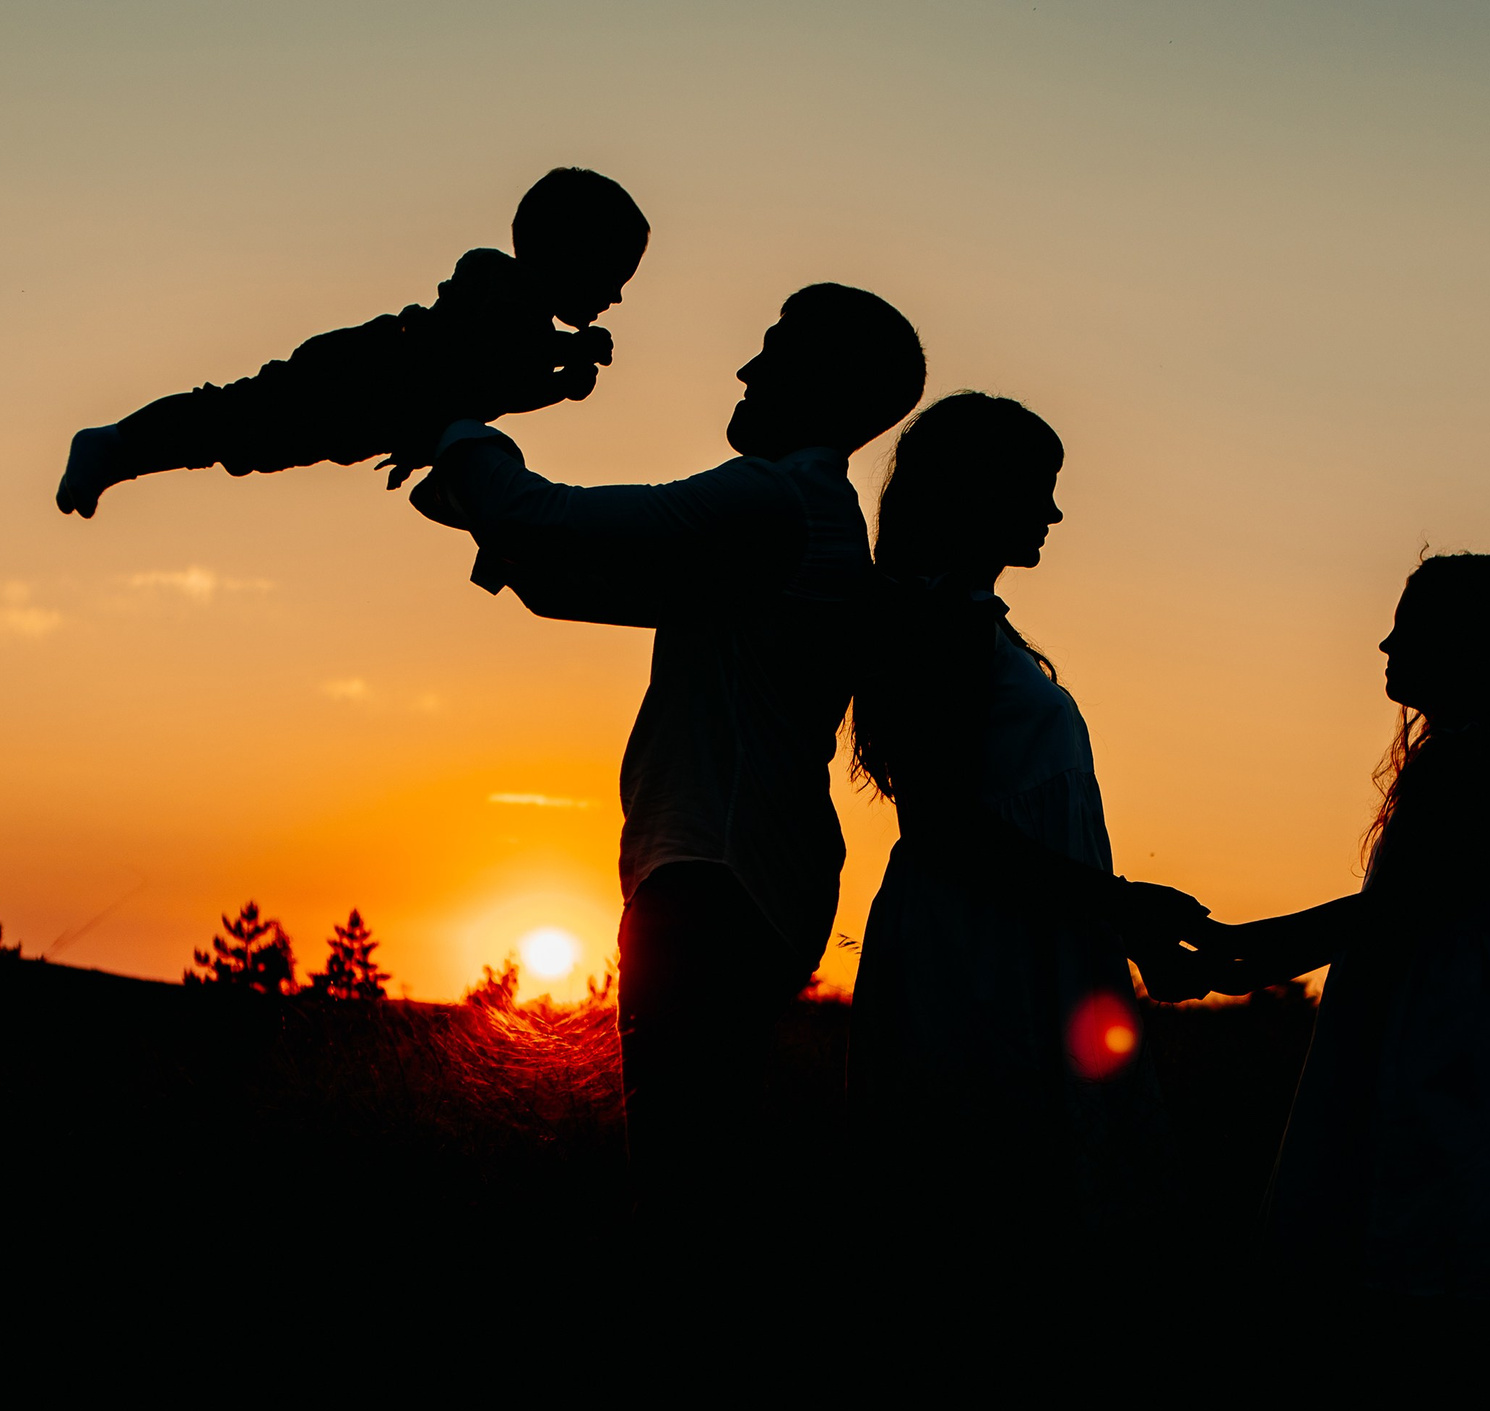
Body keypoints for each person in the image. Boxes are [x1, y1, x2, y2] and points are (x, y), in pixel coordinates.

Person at [409, 282, 927, 1250]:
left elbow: (555, 530)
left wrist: (459, 428)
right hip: (744, 887)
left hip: (710, 888)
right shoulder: (808, 515)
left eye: (770, 350)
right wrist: (482, 501)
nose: (744, 368)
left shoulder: (772, 500)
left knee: (682, 1199)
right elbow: (565, 581)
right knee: (696, 1180)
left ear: (821, 383)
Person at [844, 392, 1218, 1328]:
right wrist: (1121, 904)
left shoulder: (964, 620)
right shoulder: (944, 623)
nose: (1052, 515)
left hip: (1005, 939)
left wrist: (1117, 922)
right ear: (979, 493)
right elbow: (946, 825)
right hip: (978, 955)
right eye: (1038, 491)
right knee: (991, 1224)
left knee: (1007, 1220)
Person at [1208, 553, 1490, 1311]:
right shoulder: (1480, 760)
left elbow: (1383, 916)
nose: (1384, 645)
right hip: (1451, 1023)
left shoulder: (1463, 767)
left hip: (1432, 1033)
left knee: (1406, 1234)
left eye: (1407, 629)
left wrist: (1236, 954)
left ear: (1466, 646)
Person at [55, 167, 648, 517]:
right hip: (358, 372)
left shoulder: (519, 318)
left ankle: (120, 455)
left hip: (366, 403)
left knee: (241, 438)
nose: (615, 298)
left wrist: (557, 381)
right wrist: (562, 365)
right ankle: (114, 444)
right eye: (611, 279)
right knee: (235, 421)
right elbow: (482, 361)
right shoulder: (503, 293)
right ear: (571, 258)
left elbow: (479, 392)